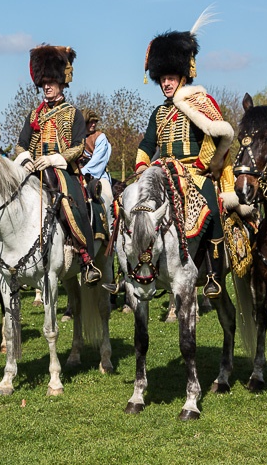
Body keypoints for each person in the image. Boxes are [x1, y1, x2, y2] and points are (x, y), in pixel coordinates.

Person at [134, 21, 237, 299]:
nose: (166, 83)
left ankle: (214, 275)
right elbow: (147, 144)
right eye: (162, 78)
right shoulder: (157, 113)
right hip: (163, 172)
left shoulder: (200, 101)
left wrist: (204, 165)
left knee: (213, 210)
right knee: (134, 210)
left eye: (171, 77)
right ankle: (142, 268)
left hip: (196, 172)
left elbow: (215, 136)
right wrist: (142, 166)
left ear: (183, 75)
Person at [14, 45, 102, 284]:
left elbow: (78, 146)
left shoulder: (73, 113)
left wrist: (53, 159)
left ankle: (86, 257)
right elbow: (21, 144)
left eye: (52, 82)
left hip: (63, 170)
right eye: (44, 82)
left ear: (63, 83)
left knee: (73, 202)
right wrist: (27, 160)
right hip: (34, 169)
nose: (47, 86)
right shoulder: (34, 114)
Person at [80, 109, 111, 185]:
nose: (94, 124)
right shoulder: (76, 136)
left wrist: (83, 172)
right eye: (91, 122)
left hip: (98, 176)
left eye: (95, 122)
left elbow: (98, 160)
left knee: (106, 193)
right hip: (76, 172)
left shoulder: (100, 137)